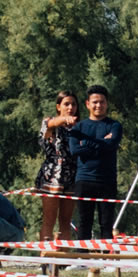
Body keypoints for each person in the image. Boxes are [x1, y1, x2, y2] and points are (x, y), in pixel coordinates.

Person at [64, 86, 122, 240]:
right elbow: (75, 150)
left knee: (106, 223)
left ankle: (107, 260)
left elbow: (111, 146)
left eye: (102, 102)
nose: (98, 105)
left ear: (107, 103)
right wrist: (102, 143)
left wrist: (87, 144)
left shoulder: (114, 126)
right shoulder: (78, 127)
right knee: (84, 223)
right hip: (84, 180)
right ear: (87, 104)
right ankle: (83, 259)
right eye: (95, 102)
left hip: (107, 180)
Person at [34, 90, 80, 237]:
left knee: (66, 221)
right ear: (58, 106)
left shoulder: (79, 126)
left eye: (73, 104)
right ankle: (45, 257)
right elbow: (50, 125)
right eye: (66, 104)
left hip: (72, 174)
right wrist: (64, 120)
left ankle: (63, 258)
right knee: (49, 220)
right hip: (52, 174)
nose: (70, 107)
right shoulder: (50, 122)